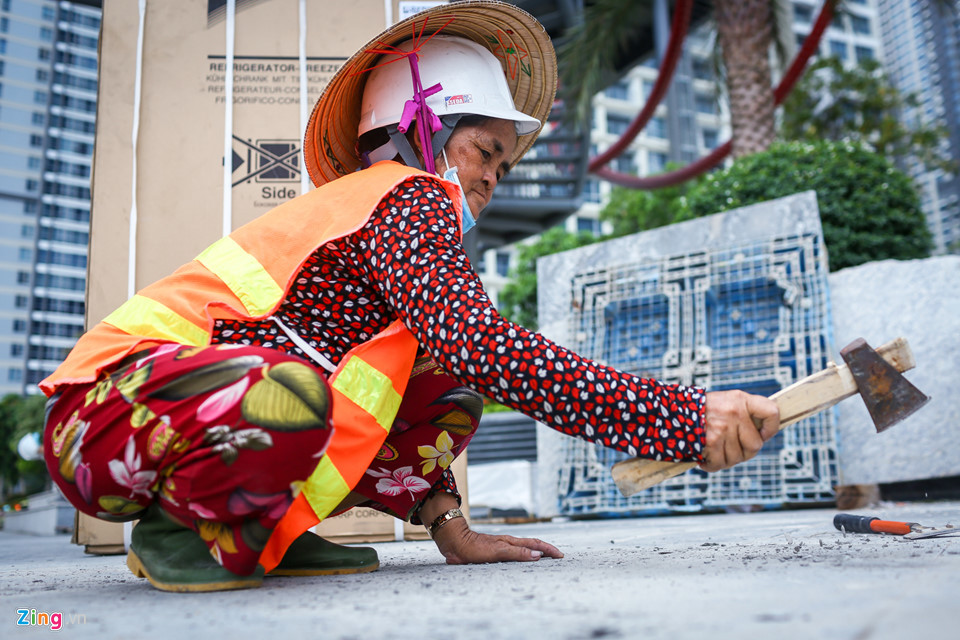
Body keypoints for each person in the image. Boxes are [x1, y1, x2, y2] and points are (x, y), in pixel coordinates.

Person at [41, 1, 779, 593]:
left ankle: (259, 531)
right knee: (339, 380)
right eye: (483, 153)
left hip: (150, 430)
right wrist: (677, 419)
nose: (492, 179)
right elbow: (486, 345)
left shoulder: (395, 232)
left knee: (439, 380)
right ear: (420, 132)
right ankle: (187, 533)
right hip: (102, 422)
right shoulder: (406, 194)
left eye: (502, 166)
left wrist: (449, 527)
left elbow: (448, 366)